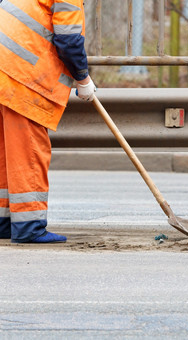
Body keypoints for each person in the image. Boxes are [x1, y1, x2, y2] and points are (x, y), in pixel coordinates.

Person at [0, 0, 96, 243]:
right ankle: (29, 227)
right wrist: (83, 79)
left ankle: (4, 222)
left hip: (5, 68)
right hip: (23, 76)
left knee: (5, 153)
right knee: (28, 151)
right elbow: (69, 40)